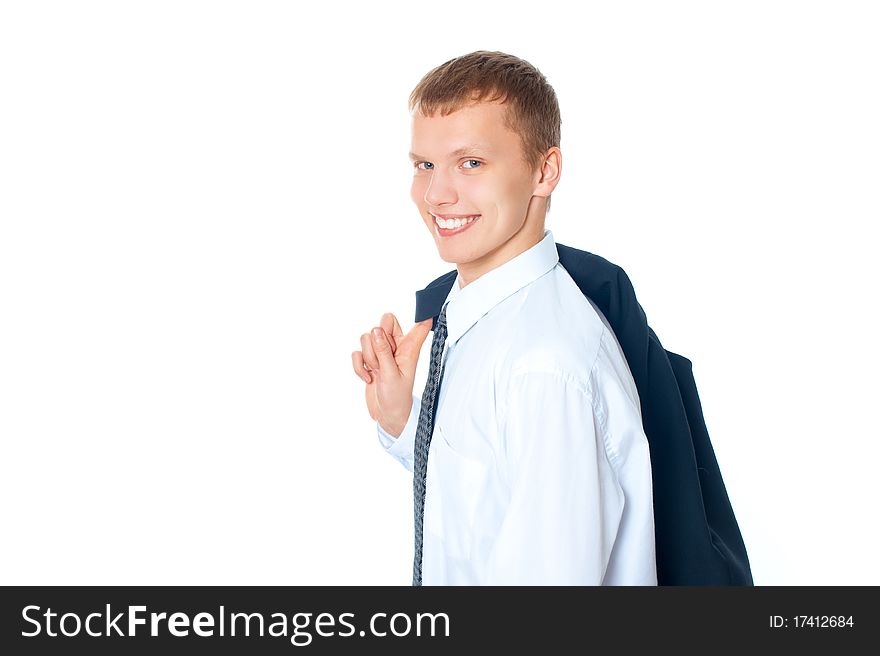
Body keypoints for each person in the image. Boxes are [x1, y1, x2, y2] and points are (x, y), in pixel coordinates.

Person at [351, 51, 657, 585]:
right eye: (424, 164)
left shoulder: (545, 366)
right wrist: (408, 425)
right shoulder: (483, 316)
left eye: (471, 162)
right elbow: (483, 505)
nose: (435, 194)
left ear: (545, 171)